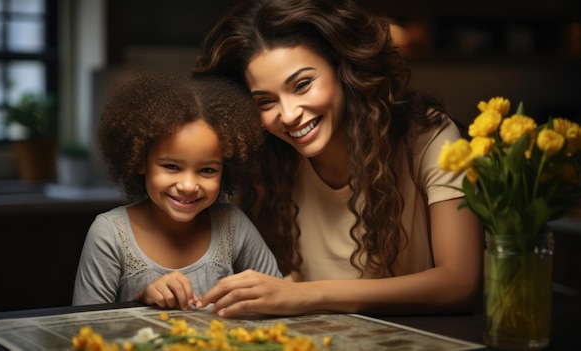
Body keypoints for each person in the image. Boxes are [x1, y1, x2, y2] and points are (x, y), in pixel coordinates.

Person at [191, 0, 483, 317]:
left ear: (343, 68)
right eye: (266, 101)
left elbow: (460, 282)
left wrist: (303, 295)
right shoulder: (269, 161)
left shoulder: (427, 136)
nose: (288, 115)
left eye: (302, 85)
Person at [72, 71, 282, 310]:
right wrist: (141, 302)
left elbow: (277, 300)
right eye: (171, 167)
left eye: (207, 170)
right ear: (139, 160)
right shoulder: (110, 234)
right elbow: (84, 330)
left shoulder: (232, 225)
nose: (188, 186)